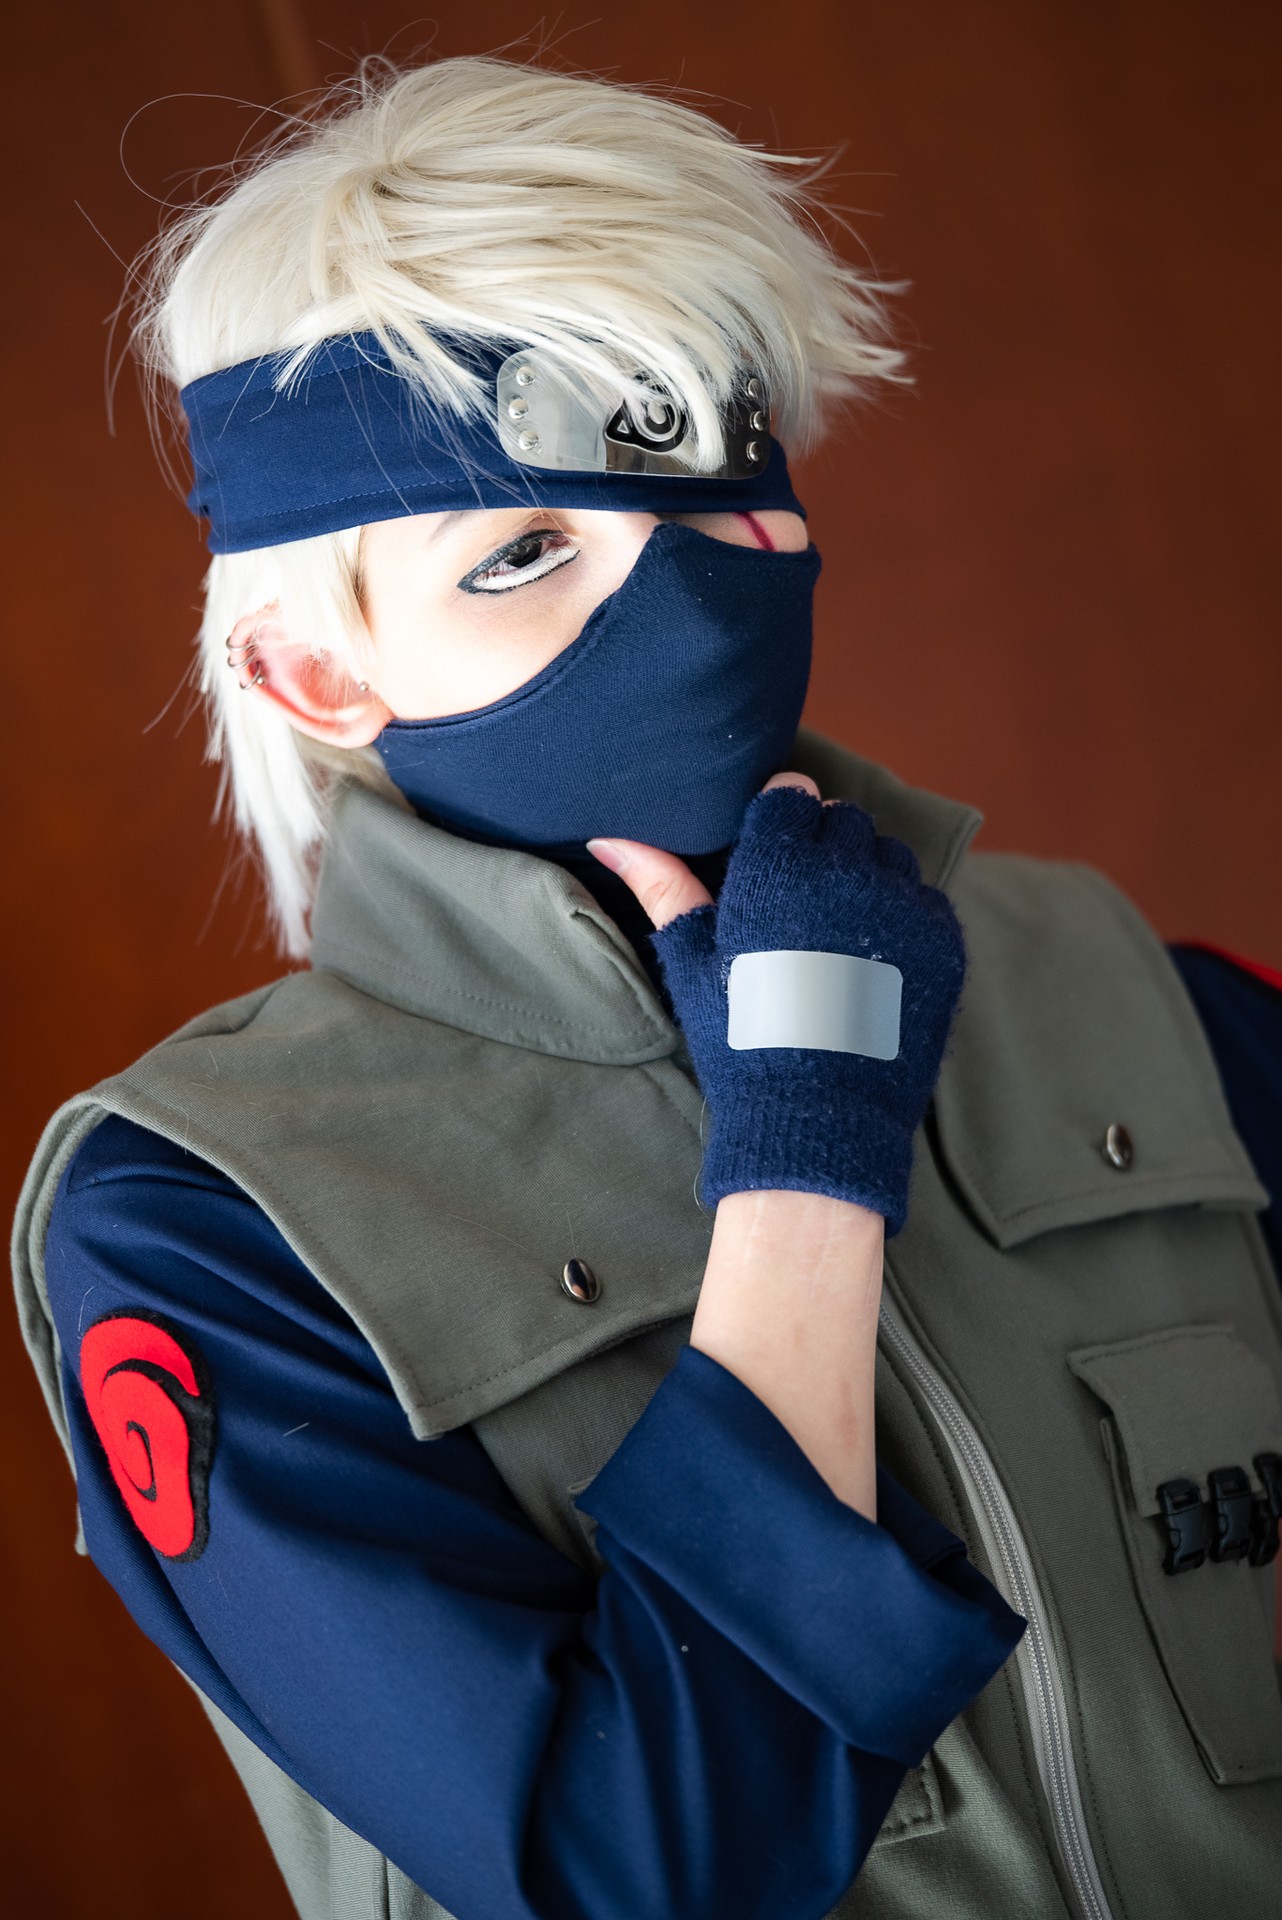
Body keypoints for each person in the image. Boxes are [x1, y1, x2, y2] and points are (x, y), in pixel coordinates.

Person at [11, 52, 1282, 1920]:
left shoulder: (1142, 999)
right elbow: (642, 1878)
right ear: (313, 675)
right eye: (521, 549)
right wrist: (808, 1151)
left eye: (704, 487)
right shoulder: (198, 1224)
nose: (672, 597)